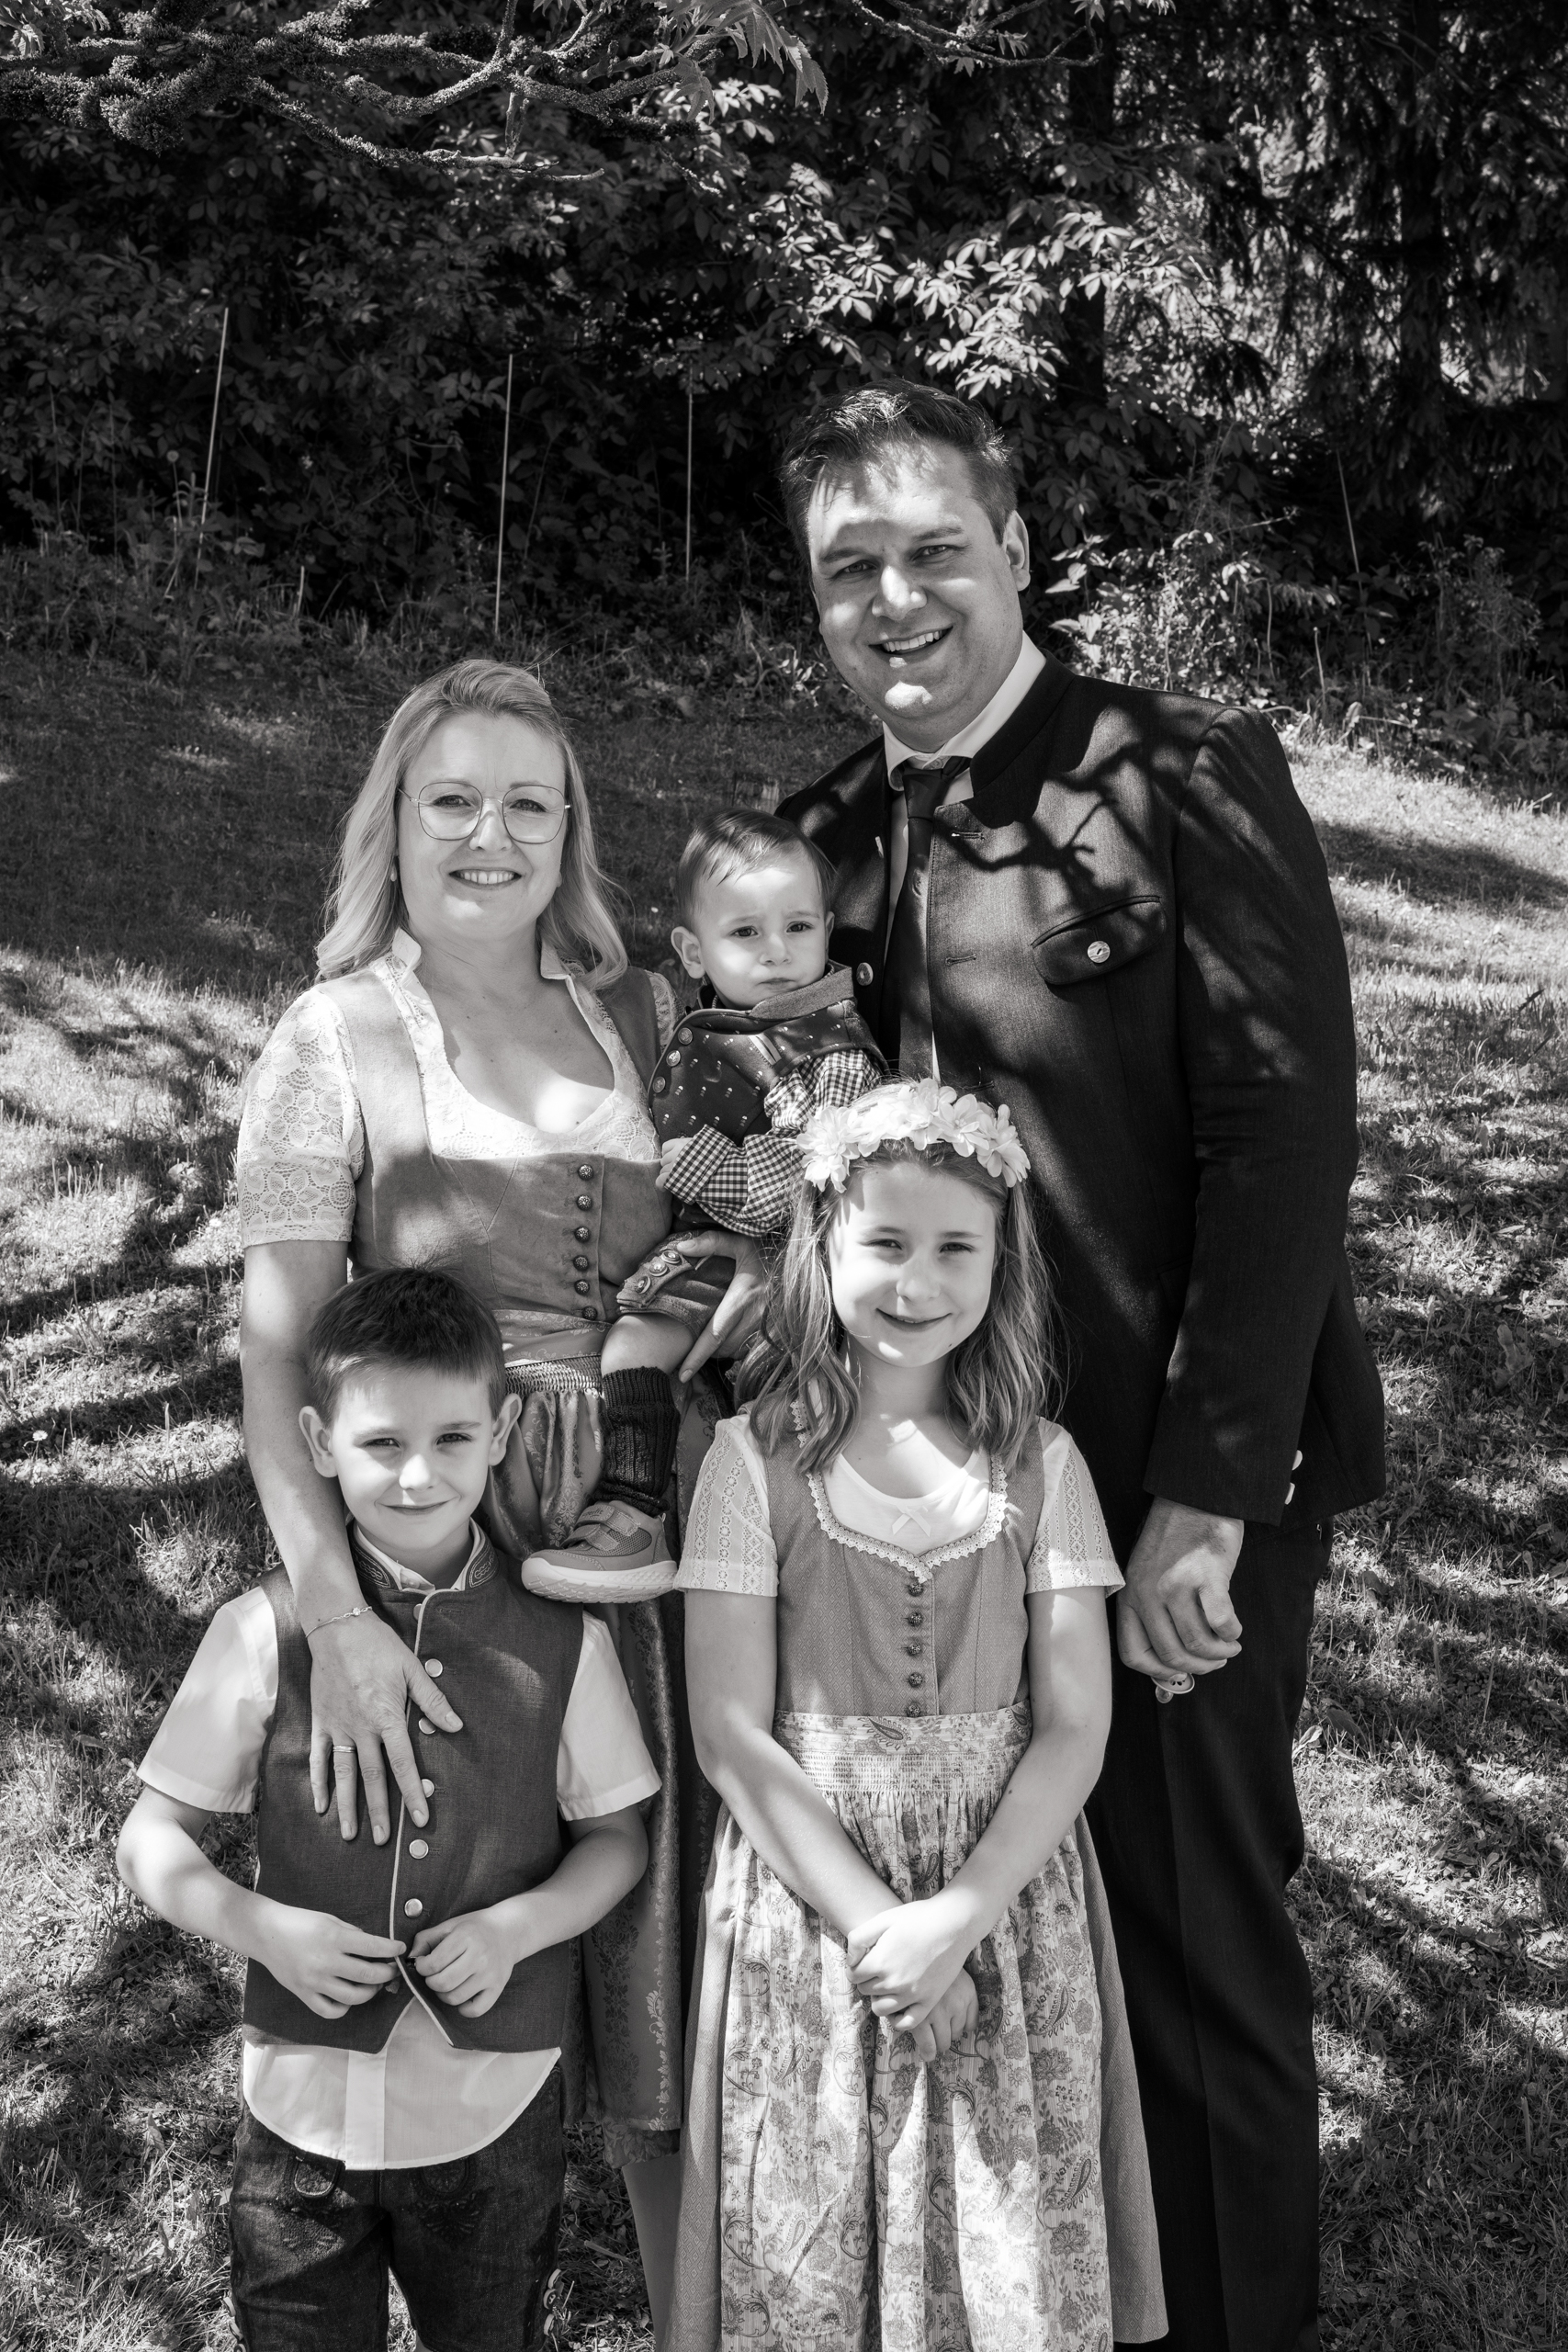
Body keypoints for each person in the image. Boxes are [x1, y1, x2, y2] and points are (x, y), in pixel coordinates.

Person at [775, 383, 1386, 2352]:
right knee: (999, 1941)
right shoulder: (816, 844)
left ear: (1015, 551)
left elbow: (1283, 1136)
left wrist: (1205, 1496)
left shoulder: (1183, 771)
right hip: (920, 1510)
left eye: (932, 551)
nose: (894, 599)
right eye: (848, 567)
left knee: (1189, 1945)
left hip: (1154, 1493)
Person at [234, 659, 761, 2335]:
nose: (491, 833)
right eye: (451, 798)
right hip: (448, 1552)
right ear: (391, 823)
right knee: (445, 1942)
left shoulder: (647, 1015)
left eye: (530, 801)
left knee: (678, 1959)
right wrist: (337, 1622)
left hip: (651, 1524)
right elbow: (278, 1365)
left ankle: (693, 2321)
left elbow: (758, 1219)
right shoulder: (332, 1037)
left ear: (571, 829)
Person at [667, 1080, 1166, 2352]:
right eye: (884, 1242)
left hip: (1005, 1895)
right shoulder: (749, 1461)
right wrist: (877, 1927)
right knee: (814, 2220)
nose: (918, 1280)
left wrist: (954, 1918)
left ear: (1001, 1265)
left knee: (1002, 2220)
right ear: (821, 1246)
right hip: (812, 1904)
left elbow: (1074, 1728)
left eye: (955, 1248)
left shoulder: (1044, 1465)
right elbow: (730, 1733)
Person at [116, 1267, 660, 2352]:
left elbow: (616, 1840)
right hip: (299, 2115)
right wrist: (265, 1929)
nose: (418, 1474)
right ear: (320, 1443)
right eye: (381, 1443)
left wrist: (518, 1928)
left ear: (502, 1432)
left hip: (491, 2110)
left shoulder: (563, 1641)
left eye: (453, 1438)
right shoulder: (261, 1631)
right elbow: (149, 1839)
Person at [523, 808, 885, 1600]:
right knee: (634, 1349)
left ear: (827, 931)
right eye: (746, 933)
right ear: (694, 952)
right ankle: (635, 1511)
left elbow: (816, 1173)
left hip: (805, 1264)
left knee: (790, 1401)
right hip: (710, 1258)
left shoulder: (830, 1050)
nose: (777, 951)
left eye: (797, 927)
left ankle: (819, 1550)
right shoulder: (717, 1027)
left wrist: (700, 1169)